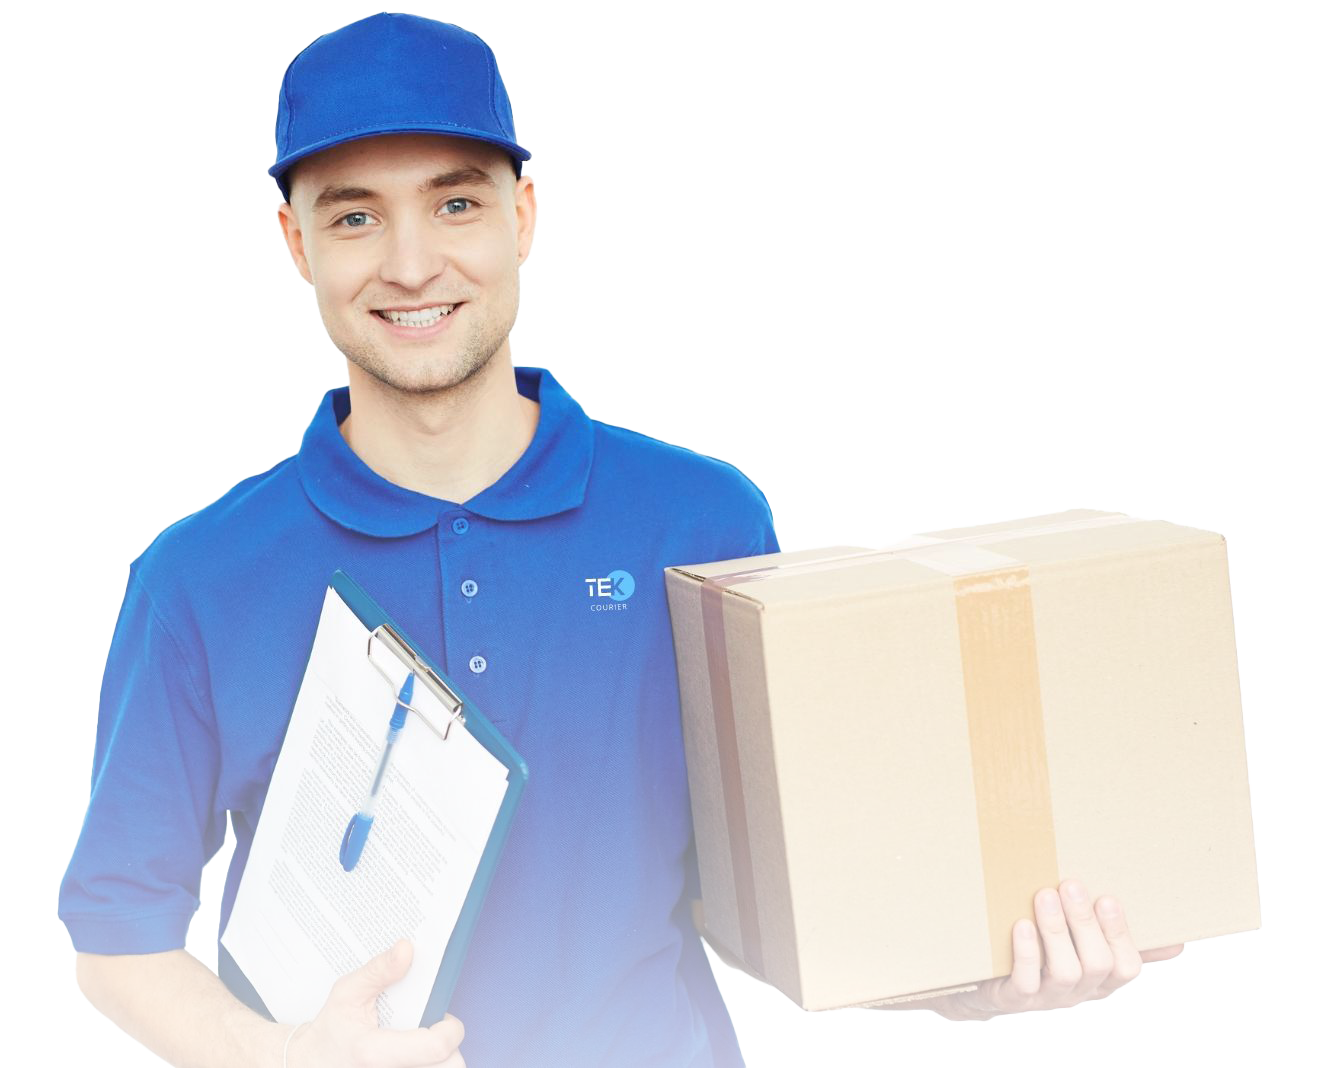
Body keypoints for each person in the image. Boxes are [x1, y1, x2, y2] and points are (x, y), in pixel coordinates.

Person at [58, 11, 1183, 1067]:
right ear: (294, 242)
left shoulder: (700, 523)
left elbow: (792, 901)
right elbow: (116, 936)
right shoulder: (199, 579)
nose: (408, 264)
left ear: (523, 217)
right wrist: (281, 1054)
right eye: (353, 215)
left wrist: (970, 977)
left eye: (456, 204)